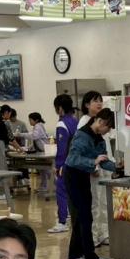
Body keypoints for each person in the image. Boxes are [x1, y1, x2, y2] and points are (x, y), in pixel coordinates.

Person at [64, 107, 116, 259]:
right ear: (100, 121)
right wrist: (93, 161)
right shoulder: (82, 135)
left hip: (83, 176)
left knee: (81, 216)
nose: (108, 132)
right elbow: (72, 159)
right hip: (73, 176)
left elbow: (103, 161)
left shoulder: (98, 138)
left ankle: (75, 254)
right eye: (108, 127)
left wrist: (119, 167)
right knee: (85, 216)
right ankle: (90, 256)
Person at [77, 90, 109, 246]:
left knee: (104, 202)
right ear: (86, 104)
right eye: (95, 101)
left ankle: (104, 234)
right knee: (94, 203)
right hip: (92, 170)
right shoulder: (84, 122)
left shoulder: (102, 120)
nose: (99, 103)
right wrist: (93, 167)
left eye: (100, 100)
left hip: (104, 168)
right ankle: (93, 236)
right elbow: (83, 149)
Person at [48, 94, 78, 234]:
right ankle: (70, 216)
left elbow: (62, 147)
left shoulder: (62, 123)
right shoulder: (75, 121)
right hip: (76, 163)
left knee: (61, 192)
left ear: (59, 108)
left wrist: (59, 165)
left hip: (66, 164)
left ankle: (62, 222)